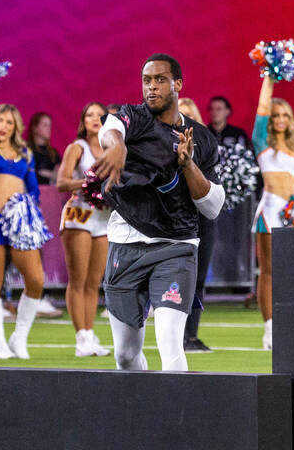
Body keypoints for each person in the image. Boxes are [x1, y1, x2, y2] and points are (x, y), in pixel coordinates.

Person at [91, 53, 224, 372]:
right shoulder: (131, 118)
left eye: (160, 80)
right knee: (124, 354)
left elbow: (212, 206)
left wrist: (188, 164)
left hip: (176, 248)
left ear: (177, 84)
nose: (151, 87)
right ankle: (143, 414)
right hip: (126, 244)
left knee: (169, 340)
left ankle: (176, 421)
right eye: (147, 81)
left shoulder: (201, 138)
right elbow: (109, 129)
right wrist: (117, 146)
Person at [0, 88, 52, 360]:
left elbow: (34, 189)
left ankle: (19, 337)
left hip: (20, 225)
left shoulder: (25, 153)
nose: (3, 126)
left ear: (16, 125)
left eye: (9, 121)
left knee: (36, 281)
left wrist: (32, 213)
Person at [250, 75, 294, 350]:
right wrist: (270, 77)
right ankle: (269, 330)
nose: (280, 118)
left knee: (291, 273)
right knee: (269, 272)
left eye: (285, 114)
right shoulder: (263, 142)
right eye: (276, 115)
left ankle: (288, 325)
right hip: (271, 211)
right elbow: (262, 108)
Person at [55, 102, 111, 357]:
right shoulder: (77, 148)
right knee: (77, 280)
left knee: (94, 282)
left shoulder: (112, 150)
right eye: (89, 115)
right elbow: (62, 182)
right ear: (83, 120)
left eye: (100, 115)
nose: (95, 119)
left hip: (103, 217)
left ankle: (90, 333)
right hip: (79, 214)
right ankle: (80, 337)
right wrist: (90, 182)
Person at [177, 97, 214, 352]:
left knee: (199, 277)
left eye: (190, 116)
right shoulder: (160, 146)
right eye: (181, 115)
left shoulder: (207, 146)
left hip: (203, 218)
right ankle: (176, 335)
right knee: (178, 277)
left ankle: (192, 335)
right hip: (176, 218)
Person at [28, 112, 60, 185]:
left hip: (52, 193)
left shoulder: (53, 152)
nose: (49, 129)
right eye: (45, 125)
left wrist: (45, 173)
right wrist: (52, 175)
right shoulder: (27, 150)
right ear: (35, 128)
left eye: (50, 125)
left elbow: (61, 176)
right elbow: (29, 174)